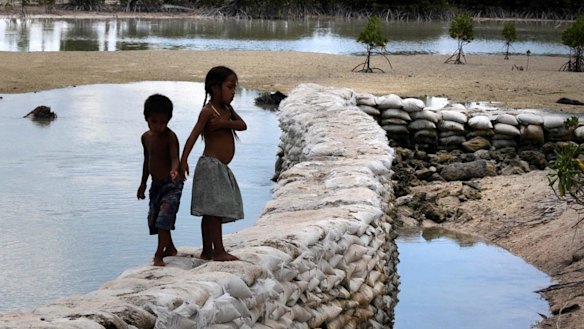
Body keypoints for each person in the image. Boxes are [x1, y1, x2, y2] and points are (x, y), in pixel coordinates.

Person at [180, 66, 247, 261]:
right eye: (230, 87)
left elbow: (243, 125)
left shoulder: (227, 111)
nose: (233, 92)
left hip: (220, 167)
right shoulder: (208, 112)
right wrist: (183, 161)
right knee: (213, 211)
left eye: (234, 88)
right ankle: (216, 250)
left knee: (211, 212)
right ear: (215, 88)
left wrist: (224, 124)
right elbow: (193, 136)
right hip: (210, 166)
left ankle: (208, 250)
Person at [137, 94, 183, 267]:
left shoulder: (170, 137)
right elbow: (147, 161)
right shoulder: (145, 138)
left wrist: (174, 170)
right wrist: (143, 183)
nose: (158, 127)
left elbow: (174, 158)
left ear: (169, 121)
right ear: (146, 119)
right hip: (156, 185)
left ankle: (159, 254)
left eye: (163, 123)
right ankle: (170, 247)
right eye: (154, 122)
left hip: (171, 185)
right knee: (155, 219)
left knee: (164, 219)